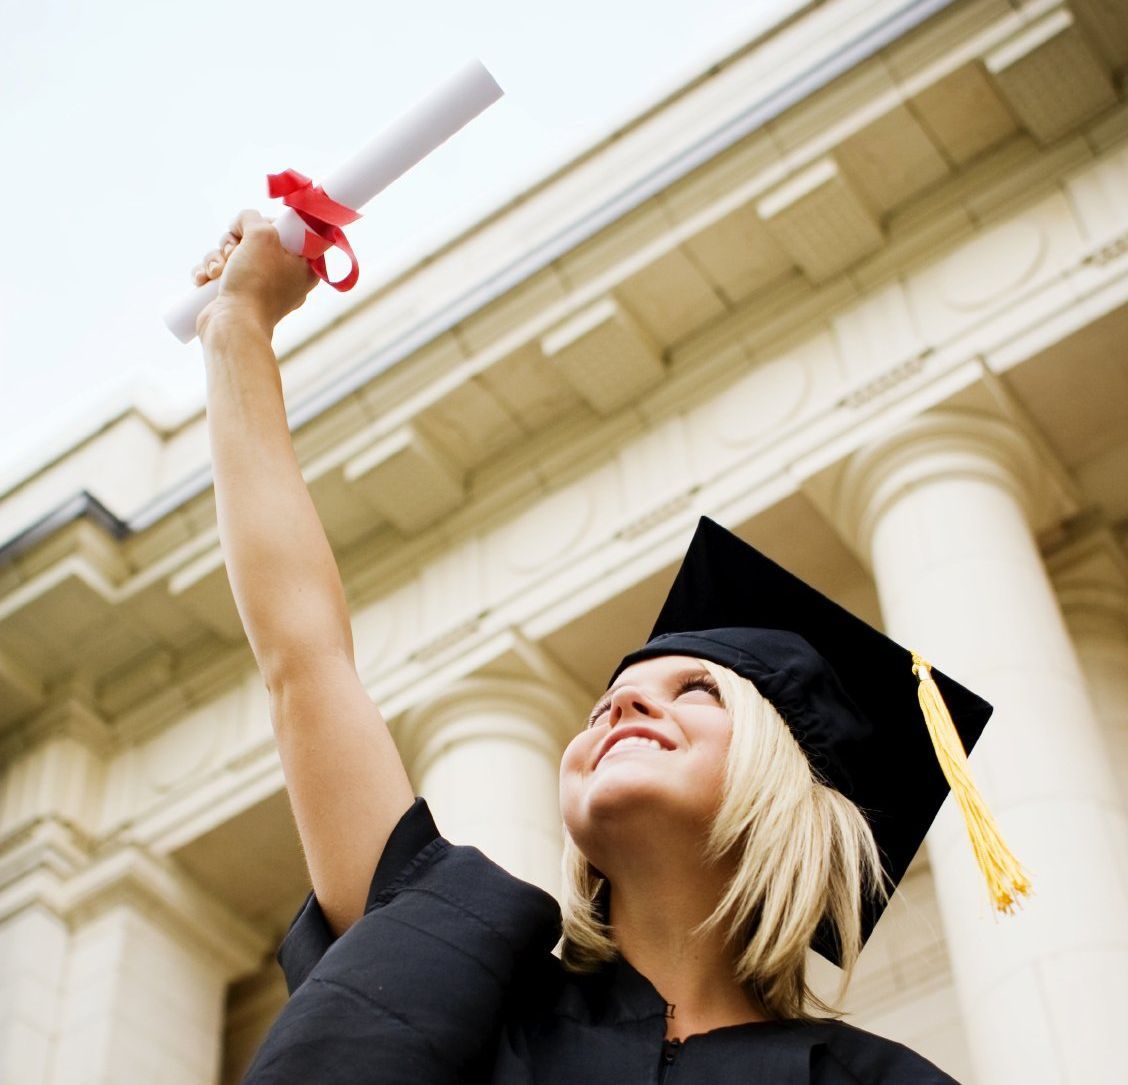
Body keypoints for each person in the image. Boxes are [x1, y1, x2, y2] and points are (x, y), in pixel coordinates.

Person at [196, 215, 1026, 1083]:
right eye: (607, 704)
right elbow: (305, 661)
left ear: (789, 781)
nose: (624, 702)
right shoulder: (456, 974)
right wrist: (238, 327)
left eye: (698, 690)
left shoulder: (876, 1082)